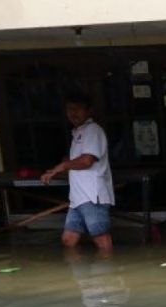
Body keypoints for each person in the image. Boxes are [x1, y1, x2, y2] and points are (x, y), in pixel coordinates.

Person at [42, 92, 115, 253]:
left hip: (91, 196)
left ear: (89, 111)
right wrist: (57, 170)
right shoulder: (78, 132)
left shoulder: (93, 130)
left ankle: (110, 274)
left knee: (101, 237)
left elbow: (87, 161)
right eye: (69, 109)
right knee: (68, 240)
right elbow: (75, 164)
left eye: (78, 109)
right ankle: (79, 277)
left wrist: (62, 166)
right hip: (78, 198)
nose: (73, 113)